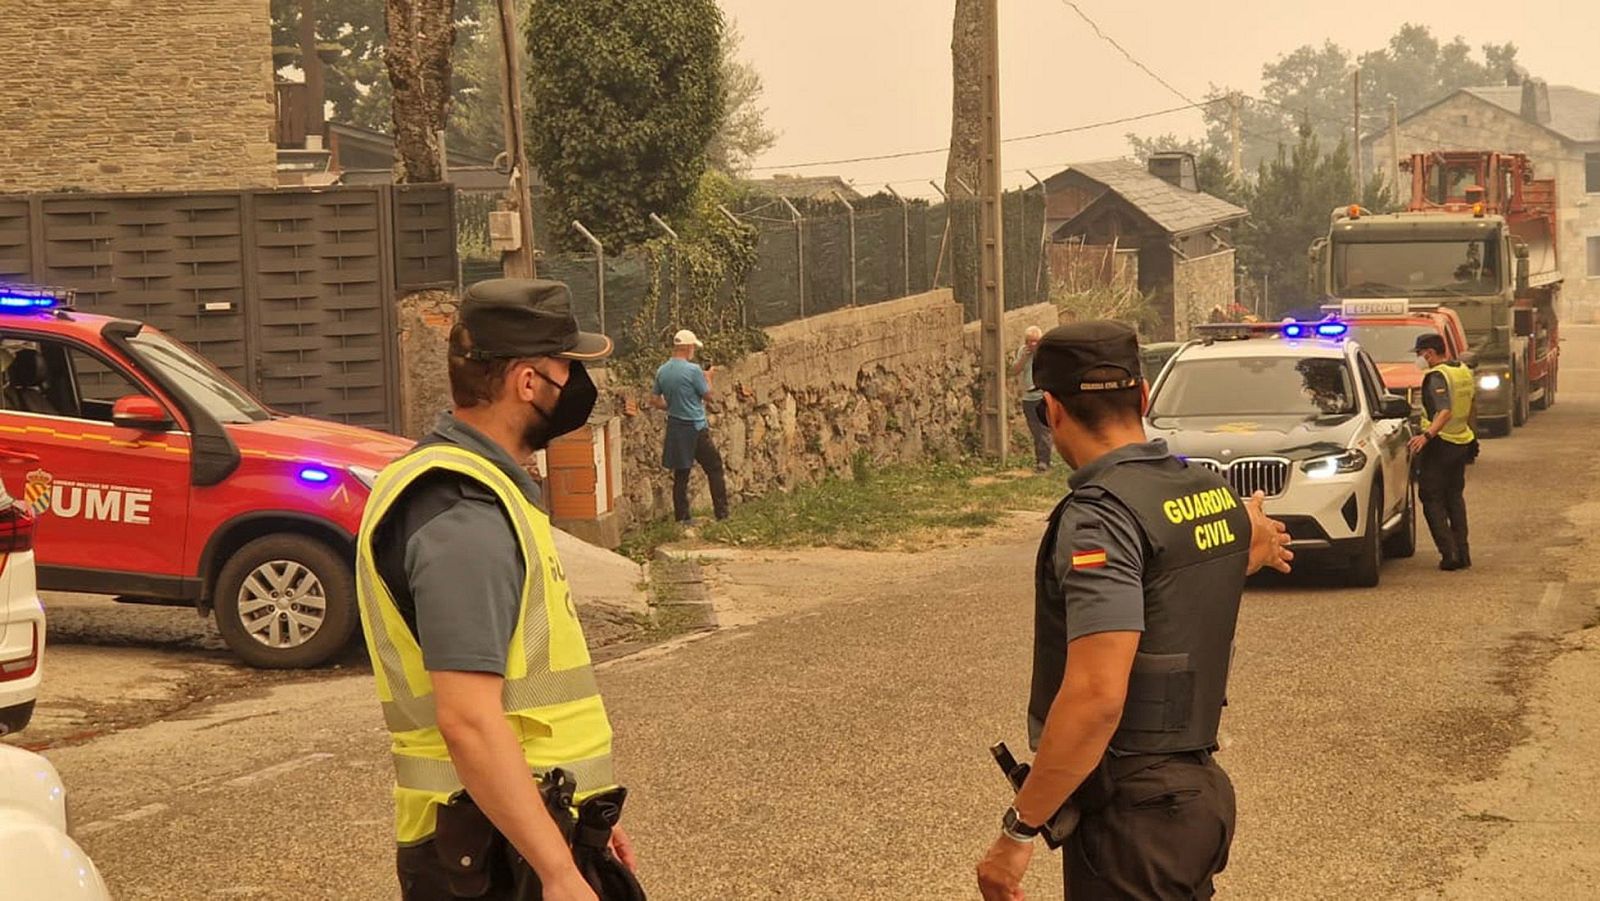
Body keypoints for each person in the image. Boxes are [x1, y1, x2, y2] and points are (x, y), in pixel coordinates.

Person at [976, 321, 1294, 901]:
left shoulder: (1100, 517)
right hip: (1196, 800)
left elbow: (1097, 697)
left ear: (1050, 410)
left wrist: (1018, 830)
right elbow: (1183, 573)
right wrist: (1254, 545)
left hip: (1134, 817)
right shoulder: (1209, 490)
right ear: (1144, 396)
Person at [357, 279, 638, 901]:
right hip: (496, 860)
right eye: (568, 367)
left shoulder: (475, 490)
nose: (578, 385)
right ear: (528, 382)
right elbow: (469, 721)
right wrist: (558, 870)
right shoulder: (465, 514)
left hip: (518, 835)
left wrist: (584, 824)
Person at [1407, 333, 1478, 570]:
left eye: (1419, 354)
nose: (1419, 359)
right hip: (1460, 441)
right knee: (1454, 498)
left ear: (1429, 353)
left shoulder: (1436, 376)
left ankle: (1450, 555)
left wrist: (1426, 436)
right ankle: (1464, 553)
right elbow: (1470, 404)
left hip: (1439, 444)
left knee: (1431, 497)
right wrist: (1472, 436)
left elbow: (1444, 411)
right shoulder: (1462, 371)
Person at [652, 329, 729, 525]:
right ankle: (722, 514)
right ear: (687, 348)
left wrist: (674, 405)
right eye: (693, 347)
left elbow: (655, 400)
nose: (694, 350)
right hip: (695, 427)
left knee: (681, 474)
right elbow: (708, 395)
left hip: (675, 427)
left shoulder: (662, 370)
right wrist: (709, 377)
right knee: (714, 467)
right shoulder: (693, 370)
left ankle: (682, 518)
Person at [1010, 326, 1054, 471]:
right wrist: (1024, 357)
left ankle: (1043, 462)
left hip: (1042, 396)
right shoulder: (1023, 351)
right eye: (1030, 341)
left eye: (1036, 342)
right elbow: (1014, 371)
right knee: (1035, 430)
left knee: (1044, 429)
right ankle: (1041, 459)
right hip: (1028, 397)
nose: (1032, 345)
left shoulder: (1046, 353)